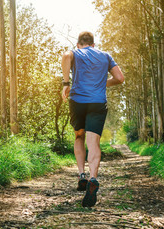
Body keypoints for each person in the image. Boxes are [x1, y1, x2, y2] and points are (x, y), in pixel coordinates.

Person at [61, 31, 124, 207]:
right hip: (98, 102)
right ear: (93, 44)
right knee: (93, 142)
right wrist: (102, 82)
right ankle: (93, 178)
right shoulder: (105, 55)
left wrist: (66, 84)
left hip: (78, 101)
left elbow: (66, 56)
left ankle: (81, 174)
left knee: (79, 136)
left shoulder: (76, 52)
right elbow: (119, 78)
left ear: (79, 44)